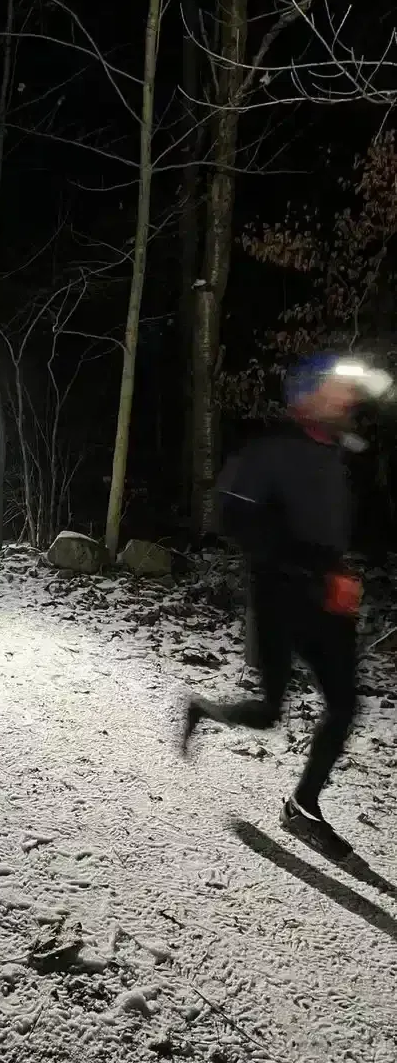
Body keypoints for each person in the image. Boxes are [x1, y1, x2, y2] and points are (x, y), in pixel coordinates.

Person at [181, 352, 368, 861]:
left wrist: (341, 573)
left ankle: (303, 804)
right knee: (268, 712)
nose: (347, 397)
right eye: (335, 387)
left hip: (326, 600)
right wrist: (311, 565)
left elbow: (336, 529)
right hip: (280, 596)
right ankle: (203, 710)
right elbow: (231, 516)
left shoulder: (337, 454)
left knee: (345, 703)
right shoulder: (270, 451)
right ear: (305, 396)